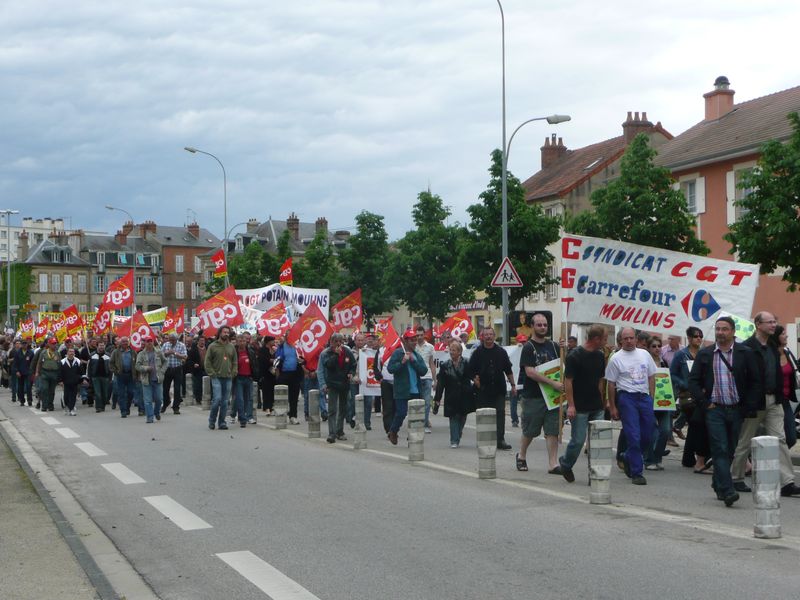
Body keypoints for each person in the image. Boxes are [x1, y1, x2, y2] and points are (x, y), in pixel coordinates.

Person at [688, 316, 760, 506]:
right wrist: (704, 402)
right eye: (718, 329)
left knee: (730, 450)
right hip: (715, 410)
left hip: (736, 409)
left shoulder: (745, 353)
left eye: (725, 329)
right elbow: (693, 381)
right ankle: (728, 490)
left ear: (733, 332)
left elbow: (755, 381)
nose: (720, 332)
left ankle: (717, 482)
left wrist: (747, 407)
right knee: (719, 448)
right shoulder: (706, 354)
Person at [730, 312, 800, 497]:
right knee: (745, 440)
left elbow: (776, 372)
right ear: (758, 324)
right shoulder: (746, 348)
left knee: (780, 439)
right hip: (754, 401)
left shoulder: (772, 346)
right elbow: (740, 377)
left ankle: (787, 482)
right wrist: (745, 401)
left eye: (774, 322)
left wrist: (778, 393)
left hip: (774, 400)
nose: (773, 325)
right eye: (769, 322)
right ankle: (736, 477)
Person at [605, 327, 656, 485]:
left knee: (648, 434)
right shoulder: (616, 359)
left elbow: (651, 377)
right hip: (627, 398)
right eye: (625, 338)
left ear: (636, 339)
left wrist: (651, 398)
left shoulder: (644, 354)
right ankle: (636, 472)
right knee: (633, 435)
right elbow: (611, 384)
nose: (628, 341)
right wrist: (612, 406)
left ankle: (627, 456)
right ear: (620, 340)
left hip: (644, 397)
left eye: (631, 338)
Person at [557, 324, 607, 482]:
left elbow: (600, 380)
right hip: (579, 406)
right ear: (596, 339)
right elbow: (568, 381)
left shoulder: (600, 355)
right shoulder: (574, 355)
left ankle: (595, 474)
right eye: (605, 338)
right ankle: (566, 463)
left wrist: (603, 400)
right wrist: (571, 405)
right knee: (578, 441)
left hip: (596, 405)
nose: (606, 341)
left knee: (597, 442)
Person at [516, 312, 562, 472]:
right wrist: (552, 383)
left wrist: (565, 350)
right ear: (532, 326)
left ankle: (553, 464)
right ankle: (521, 455)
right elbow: (530, 372)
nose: (542, 328)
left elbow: (562, 366)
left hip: (552, 397)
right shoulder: (529, 347)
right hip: (533, 396)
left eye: (545, 325)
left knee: (553, 431)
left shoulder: (555, 347)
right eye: (539, 325)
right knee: (530, 430)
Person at [468, 326, 517, 451]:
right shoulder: (477, 352)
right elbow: (470, 370)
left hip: (498, 389)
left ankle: (500, 440)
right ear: (482, 337)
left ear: (494, 336)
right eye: (486, 335)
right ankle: (483, 439)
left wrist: (513, 385)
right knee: (483, 415)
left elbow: (508, 370)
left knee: (500, 414)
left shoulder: (501, 352)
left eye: (491, 334)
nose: (489, 337)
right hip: (482, 390)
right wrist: (475, 379)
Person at [670, 327, 710, 472]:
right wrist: (683, 383)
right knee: (695, 424)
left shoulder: (705, 353)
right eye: (695, 336)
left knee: (694, 426)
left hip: (702, 394)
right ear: (689, 337)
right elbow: (672, 373)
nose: (698, 339)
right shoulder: (681, 355)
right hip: (687, 395)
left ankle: (688, 458)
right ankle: (691, 458)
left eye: (700, 336)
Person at [386, 329, 428, 445]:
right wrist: (402, 362)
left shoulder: (416, 355)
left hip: (415, 390)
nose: (414, 342)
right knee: (401, 412)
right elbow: (390, 369)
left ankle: (412, 437)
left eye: (415, 340)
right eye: (411, 340)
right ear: (405, 341)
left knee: (415, 417)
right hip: (402, 390)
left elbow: (423, 371)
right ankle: (393, 431)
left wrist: (414, 361)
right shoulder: (398, 353)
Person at [433, 340, 475, 448]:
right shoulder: (445, 365)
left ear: (460, 352)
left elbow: (473, 376)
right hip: (451, 395)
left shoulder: (467, 363)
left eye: (454, 350)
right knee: (453, 417)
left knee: (462, 416)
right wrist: (437, 398)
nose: (452, 352)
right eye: (450, 350)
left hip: (465, 394)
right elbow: (441, 383)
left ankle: (458, 432)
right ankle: (454, 440)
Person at [644, 336, 672, 471]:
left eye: (659, 346)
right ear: (648, 348)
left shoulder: (664, 363)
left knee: (665, 430)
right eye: (653, 346)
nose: (657, 348)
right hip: (649, 400)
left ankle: (658, 457)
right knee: (652, 432)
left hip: (664, 402)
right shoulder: (645, 362)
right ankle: (649, 460)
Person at [323, 333, 357, 443]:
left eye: (340, 341)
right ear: (331, 342)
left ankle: (339, 431)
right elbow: (328, 365)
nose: (338, 344)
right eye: (336, 341)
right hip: (333, 384)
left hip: (344, 384)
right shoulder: (327, 353)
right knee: (332, 410)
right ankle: (331, 433)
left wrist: (351, 373)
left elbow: (353, 364)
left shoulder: (347, 352)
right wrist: (335, 355)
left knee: (343, 408)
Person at [205, 326, 237, 430]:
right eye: (224, 332)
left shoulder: (231, 347)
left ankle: (222, 422)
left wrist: (233, 372)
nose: (226, 334)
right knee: (217, 399)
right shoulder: (212, 346)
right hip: (216, 377)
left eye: (228, 332)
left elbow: (234, 361)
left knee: (225, 401)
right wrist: (212, 373)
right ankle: (212, 420)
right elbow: (207, 361)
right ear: (220, 333)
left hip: (228, 377)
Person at [135, 336, 167, 423]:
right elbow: (137, 366)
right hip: (146, 380)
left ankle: (156, 412)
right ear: (144, 343)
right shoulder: (141, 354)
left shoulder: (159, 352)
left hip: (157, 379)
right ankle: (150, 417)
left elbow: (165, 361)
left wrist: (162, 371)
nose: (149, 343)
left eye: (151, 341)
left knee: (159, 399)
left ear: (153, 342)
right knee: (148, 400)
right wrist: (145, 368)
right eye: (147, 341)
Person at [275, 336, 303, 425]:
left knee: (294, 397)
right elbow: (277, 360)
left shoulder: (298, 347)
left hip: (295, 374)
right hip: (284, 374)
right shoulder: (282, 347)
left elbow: (304, 358)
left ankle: (293, 416)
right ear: (286, 337)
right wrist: (277, 375)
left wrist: (302, 361)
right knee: (282, 397)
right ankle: (281, 415)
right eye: (288, 335)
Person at [234, 333, 259, 427]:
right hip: (238, 378)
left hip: (248, 377)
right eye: (240, 341)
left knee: (248, 399)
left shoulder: (250, 351)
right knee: (240, 399)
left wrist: (255, 375)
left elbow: (254, 364)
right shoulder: (235, 352)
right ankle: (242, 418)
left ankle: (248, 416)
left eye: (244, 341)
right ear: (237, 342)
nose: (242, 343)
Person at [414, 326, 436, 433]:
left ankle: (425, 423)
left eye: (421, 335)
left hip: (427, 376)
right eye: (417, 335)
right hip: (416, 376)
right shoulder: (413, 347)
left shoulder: (430, 347)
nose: (419, 337)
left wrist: (435, 380)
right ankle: (418, 421)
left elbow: (432, 364)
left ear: (424, 335)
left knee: (427, 401)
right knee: (417, 401)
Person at [109, 336, 137, 418]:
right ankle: (123, 411)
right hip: (120, 375)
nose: (125, 343)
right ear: (120, 343)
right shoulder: (116, 352)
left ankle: (127, 407)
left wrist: (136, 374)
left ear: (128, 342)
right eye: (123, 341)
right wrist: (116, 371)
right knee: (121, 394)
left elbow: (136, 363)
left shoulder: (133, 352)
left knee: (131, 393)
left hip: (130, 375)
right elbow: (111, 363)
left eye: (126, 341)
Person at [161, 333, 187, 415]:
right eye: (170, 339)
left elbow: (185, 356)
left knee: (177, 388)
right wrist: (167, 353)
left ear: (176, 339)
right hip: (167, 369)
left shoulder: (181, 345)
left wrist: (175, 353)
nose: (171, 341)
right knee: (165, 388)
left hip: (177, 368)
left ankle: (176, 407)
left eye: (172, 340)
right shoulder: (165, 345)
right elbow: (160, 356)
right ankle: (166, 402)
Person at [35, 338, 61, 411]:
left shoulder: (57, 353)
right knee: (45, 389)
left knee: (52, 391)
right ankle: (44, 406)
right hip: (45, 373)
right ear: (49, 344)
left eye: (55, 343)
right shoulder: (43, 352)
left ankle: (50, 405)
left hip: (54, 373)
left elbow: (60, 364)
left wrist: (60, 375)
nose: (54, 345)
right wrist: (37, 372)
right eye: (53, 343)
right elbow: (39, 363)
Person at [59, 347, 86, 416]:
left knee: (73, 396)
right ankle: (67, 406)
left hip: (75, 381)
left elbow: (82, 372)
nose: (71, 353)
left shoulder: (78, 361)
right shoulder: (62, 361)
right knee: (66, 396)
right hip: (66, 382)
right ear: (67, 353)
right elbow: (60, 372)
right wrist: (60, 381)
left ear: (74, 353)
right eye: (70, 351)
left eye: (72, 352)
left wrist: (83, 379)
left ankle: (71, 409)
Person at [88, 341, 112, 412]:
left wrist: (110, 377)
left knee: (105, 393)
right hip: (95, 377)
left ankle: (103, 405)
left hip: (105, 377)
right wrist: (89, 377)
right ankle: (98, 407)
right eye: (100, 345)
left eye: (103, 345)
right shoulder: (92, 355)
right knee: (97, 393)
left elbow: (110, 368)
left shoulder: (108, 355)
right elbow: (89, 368)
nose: (101, 347)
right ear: (97, 346)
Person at [258, 336, 278, 416]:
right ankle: (267, 408)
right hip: (265, 373)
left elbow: (277, 358)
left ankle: (272, 407)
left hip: (273, 373)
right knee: (266, 391)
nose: (274, 342)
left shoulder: (274, 350)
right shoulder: (262, 350)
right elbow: (262, 360)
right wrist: (270, 360)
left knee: (273, 391)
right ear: (268, 342)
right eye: (272, 341)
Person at [186, 335, 207, 406]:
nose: (202, 342)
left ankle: (207, 398)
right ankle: (198, 399)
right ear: (198, 341)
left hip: (206, 369)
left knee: (207, 384)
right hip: (197, 370)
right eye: (201, 341)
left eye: (203, 341)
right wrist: (194, 364)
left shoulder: (207, 348)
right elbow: (188, 360)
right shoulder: (193, 350)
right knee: (198, 385)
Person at [12, 340, 34, 406]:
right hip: (20, 372)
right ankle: (22, 400)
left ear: (27, 344)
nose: (24, 345)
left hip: (28, 372)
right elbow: (15, 363)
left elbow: (33, 363)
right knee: (20, 387)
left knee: (28, 386)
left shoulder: (30, 352)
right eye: (23, 344)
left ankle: (29, 400)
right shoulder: (18, 353)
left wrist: (32, 371)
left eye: (25, 344)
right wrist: (17, 371)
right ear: (21, 345)